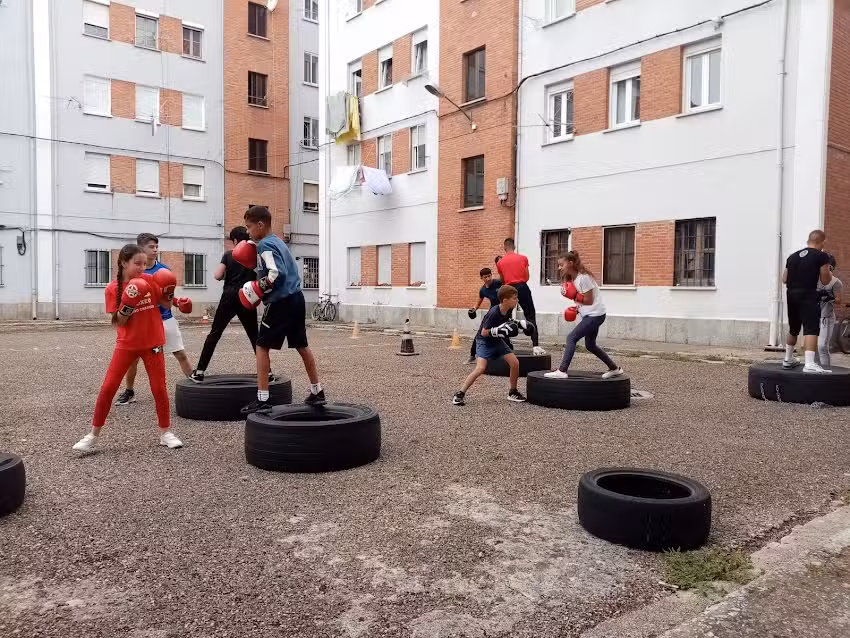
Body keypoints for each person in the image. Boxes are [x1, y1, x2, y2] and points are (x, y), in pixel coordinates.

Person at [73, 244, 183, 452]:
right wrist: (129, 302)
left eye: (144, 264)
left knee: (159, 388)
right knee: (108, 388)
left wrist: (172, 294)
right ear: (124, 263)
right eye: (137, 263)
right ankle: (93, 435)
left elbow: (166, 304)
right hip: (127, 345)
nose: (142, 268)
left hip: (153, 343)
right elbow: (119, 322)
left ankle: (165, 432)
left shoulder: (149, 280)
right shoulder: (112, 289)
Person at [237, 206, 327, 413]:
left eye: (249, 227)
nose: (248, 232)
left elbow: (277, 273)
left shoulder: (265, 245)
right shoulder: (278, 242)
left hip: (281, 302)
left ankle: (263, 399)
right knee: (302, 345)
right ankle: (317, 391)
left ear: (260, 224)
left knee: (261, 346)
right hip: (296, 299)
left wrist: (258, 287)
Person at [114, 233, 194, 405]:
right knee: (133, 360)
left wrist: (179, 303)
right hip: (142, 321)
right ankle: (129, 391)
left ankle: (196, 388)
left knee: (180, 352)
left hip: (165, 318)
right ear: (140, 248)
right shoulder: (134, 272)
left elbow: (166, 296)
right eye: (151, 247)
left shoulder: (164, 270)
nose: (155, 250)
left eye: (156, 247)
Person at [190, 226, 262, 382]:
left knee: (215, 333)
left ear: (235, 240)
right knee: (254, 336)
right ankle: (267, 373)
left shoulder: (229, 255)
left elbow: (217, 275)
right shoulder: (255, 255)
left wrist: (227, 274)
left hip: (229, 296)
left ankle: (200, 371)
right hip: (247, 295)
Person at [544, 251, 623, 379]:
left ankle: (562, 370)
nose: (559, 268)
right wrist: (577, 309)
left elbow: (589, 300)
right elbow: (584, 301)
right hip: (591, 314)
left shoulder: (583, 278)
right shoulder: (573, 279)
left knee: (571, 338)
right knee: (590, 345)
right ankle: (614, 368)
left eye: (561, 265)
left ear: (571, 263)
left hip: (595, 315)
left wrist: (574, 296)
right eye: (558, 265)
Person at [452, 285, 528, 406]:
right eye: (514, 298)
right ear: (505, 300)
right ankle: (459, 394)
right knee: (480, 368)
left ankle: (513, 392)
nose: (517, 300)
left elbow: (506, 323)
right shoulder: (494, 312)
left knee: (515, 363)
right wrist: (498, 330)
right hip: (484, 341)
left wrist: (519, 324)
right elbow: (484, 332)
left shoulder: (508, 309)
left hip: (496, 340)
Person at [782, 229, 833, 373]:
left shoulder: (792, 257)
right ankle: (809, 364)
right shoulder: (822, 256)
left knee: (793, 328)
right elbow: (825, 280)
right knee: (811, 328)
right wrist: (828, 270)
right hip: (808, 294)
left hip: (791, 294)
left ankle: (788, 359)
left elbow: (784, 279)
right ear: (822, 242)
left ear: (808, 240)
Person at [496, 238, 546, 356]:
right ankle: (535, 346)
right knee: (530, 315)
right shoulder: (523, 258)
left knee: (505, 317)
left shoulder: (500, 262)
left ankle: (506, 346)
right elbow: (527, 277)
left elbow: (502, 280)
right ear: (514, 247)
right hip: (522, 287)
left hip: (508, 288)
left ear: (505, 247)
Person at [465, 267, 503, 364]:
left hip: (503, 311)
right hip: (492, 312)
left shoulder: (499, 283)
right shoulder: (483, 290)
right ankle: (472, 356)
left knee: (503, 333)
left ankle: (506, 356)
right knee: (480, 333)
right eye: (485, 277)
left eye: (489, 276)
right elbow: (478, 304)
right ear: (481, 278)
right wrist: (473, 309)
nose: (488, 279)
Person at [816, 253, 842, 370]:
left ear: (831, 267)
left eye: (828, 266)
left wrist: (830, 296)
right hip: (813, 316)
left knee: (822, 346)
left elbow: (839, 300)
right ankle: (814, 371)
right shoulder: (815, 279)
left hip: (826, 317)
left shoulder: (836, 282)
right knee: (813, 348)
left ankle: (826, 371)